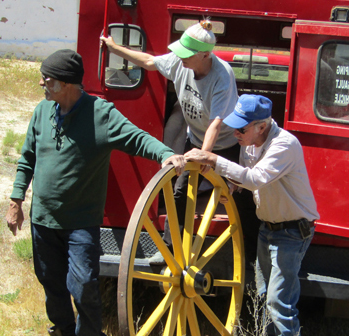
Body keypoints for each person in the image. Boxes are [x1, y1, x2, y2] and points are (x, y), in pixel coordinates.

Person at [5, 49, 185, 336]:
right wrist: (16, 200)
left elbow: (136, 137)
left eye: (47, 80)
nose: (42, 84)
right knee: (51, 282)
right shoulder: (42, 112)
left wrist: (164, 154)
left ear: (67, 84)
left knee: (83, 283)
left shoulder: (100, 115)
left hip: (80, 222)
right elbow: (27, 157)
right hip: (43, 219)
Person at [100, 21, 260, 266]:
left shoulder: (222, 76)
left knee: (240, 197)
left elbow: (216, 124)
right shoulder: (179, 61)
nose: (180, 57)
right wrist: (115, 48)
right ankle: (168, 248)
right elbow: (149, 61)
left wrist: (205, 156)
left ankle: (251, 256)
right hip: (195, 139)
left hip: (226, 143)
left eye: (187, 53)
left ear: (205, 54)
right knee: (181, 189)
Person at [184, 94, 319, 336]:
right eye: (235, 127)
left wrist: (213, 159)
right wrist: (231, 187)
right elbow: (246, 175)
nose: (236, 134)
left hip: (292, 232)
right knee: (262, 296)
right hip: (267, 229)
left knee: (279, 302)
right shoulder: (250, 144)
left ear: (262, 125)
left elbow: (256, 178)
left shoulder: (285, 145)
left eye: (242, 129)